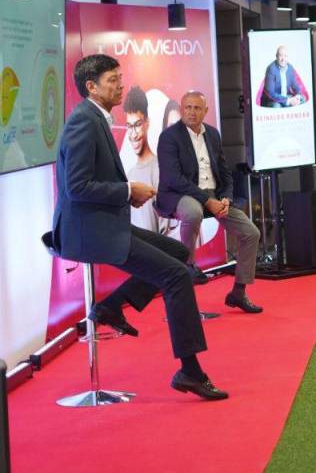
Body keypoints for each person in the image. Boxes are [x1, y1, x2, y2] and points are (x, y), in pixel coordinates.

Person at [51, 55, 226, 400]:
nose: (120, 85)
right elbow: (76, 187)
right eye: (113, 80)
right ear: (92, 86)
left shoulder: (97, 118)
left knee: (177, 251)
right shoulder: (84, 123)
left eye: (119, 78)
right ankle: (190, 371)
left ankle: (112, 306)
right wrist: (129, 191)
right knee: (176, 274)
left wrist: (126, 194)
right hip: (89, 230)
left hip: (104, 222)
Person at [157, 91, 263, 313]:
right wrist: (207, 201)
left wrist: (226, 198)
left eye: (197, 108)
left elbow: (225, 174)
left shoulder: (213, 135)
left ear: (205, 111)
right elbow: (173, 178)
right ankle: (188, 266)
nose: (191, 112)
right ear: (182, 109)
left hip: (214, 196)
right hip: (181, 194)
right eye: (187, 108)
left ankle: (238, 292)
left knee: (251, 233)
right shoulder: (169, 137)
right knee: (193, 212)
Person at [122, 86, 161, 233]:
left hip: (159, 252)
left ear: (147, 123)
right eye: (129, 126)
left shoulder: (161, 168)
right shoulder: (128, 175)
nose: (133, 134)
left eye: (137, 125)